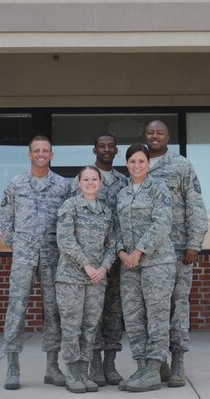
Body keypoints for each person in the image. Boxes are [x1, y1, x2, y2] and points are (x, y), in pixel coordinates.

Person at [0, 135, 72, 390]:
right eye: (36, 150)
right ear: (30, 155)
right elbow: (6, 221)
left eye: (45, 151)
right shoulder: (16, 184)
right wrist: (19, 245)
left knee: (53, 312)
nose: (41, 154)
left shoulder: (63, 186)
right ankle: (12, 366)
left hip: (53, 257)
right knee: (16, 309)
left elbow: (69, 221)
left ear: (51, 155)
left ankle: (52, 367)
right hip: (24, 257)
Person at [144, 120, 208, 387]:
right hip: (149, 252)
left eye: (159, 132)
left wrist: (194, 243)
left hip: (180, 250)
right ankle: (159, 362)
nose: (154, 136)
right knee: (153, 308)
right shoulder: (138, 164)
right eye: (150, 132)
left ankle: (179, 362)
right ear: (144, 136)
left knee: (179, 306)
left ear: (167, 136)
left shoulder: (181, 165)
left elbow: (195, 205)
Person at [116, 144, 176, 393]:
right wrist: (122, 253)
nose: (137, 166)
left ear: (148, 164)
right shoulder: (122, 193)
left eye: (141, 161)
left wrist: (138, 252)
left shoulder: (158, 189)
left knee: (157, 317)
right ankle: (142, 365)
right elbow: (116, 227)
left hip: (156, 262)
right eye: (132, 162)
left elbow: (162, 223)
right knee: (132, 318)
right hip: (129, 265)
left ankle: (154, 367)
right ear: (127, 164)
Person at [56, 166, 116, 393]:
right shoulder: (69, 207)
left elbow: (112, 243)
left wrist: (104, 267)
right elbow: (65, 240)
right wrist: (87, 265)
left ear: (100, 182)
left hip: (96, 279)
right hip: (71, 278)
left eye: (94, 179)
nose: (90, 182)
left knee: (90, 327)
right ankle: (73, 373)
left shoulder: (106, 212)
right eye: (86, 179)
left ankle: (84, 371)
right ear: (79, 183)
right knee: (72, 327)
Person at [86, 133, 127, 386]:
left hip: (118, 258)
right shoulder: (86, 180)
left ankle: (110, 364)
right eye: (101, 146)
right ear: (94, 150)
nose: (106, 149)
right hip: (92, 260)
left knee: (114, 311)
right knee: (93, 313)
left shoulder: (124, 181)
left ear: (116, 150)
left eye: (110, 146)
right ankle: (94, 365)